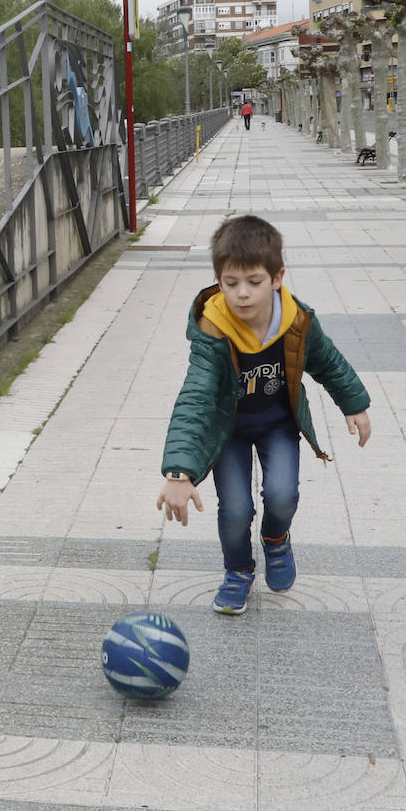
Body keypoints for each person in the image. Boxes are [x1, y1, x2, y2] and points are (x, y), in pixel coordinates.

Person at [157, 215, 372, 615]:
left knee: (282, 495)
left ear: (277, 278)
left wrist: (354, 403)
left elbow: (327, 362)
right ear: (218, 280)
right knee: (236, 509)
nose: (242, 294)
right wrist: (179, 472)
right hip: (230, 431)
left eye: (254, 281)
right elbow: (196, 398)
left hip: (277, 423)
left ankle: (276, 539)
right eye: (230, 282)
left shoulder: (296, 320)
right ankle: (238, 571)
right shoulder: (213, 329)